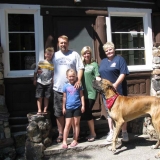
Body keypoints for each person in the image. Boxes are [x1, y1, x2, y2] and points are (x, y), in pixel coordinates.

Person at [52, 35, 84, 143]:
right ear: (58, 43)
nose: (63, 44)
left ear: (68, 43)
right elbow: (48, 68)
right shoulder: (54, 55)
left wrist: (78, 80)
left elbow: (80, 68)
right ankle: (61, 134)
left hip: (73, 90)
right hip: (58, 88)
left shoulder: (74, 54)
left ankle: (75, 135)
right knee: (59, 112)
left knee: (75, 112)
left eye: (65, 42)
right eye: (61, 42)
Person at [99, 42, 129, 142]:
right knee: (109, 112)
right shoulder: (103, 61)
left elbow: (123, 73)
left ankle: (124, 132)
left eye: (110, 49)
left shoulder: (120, 59)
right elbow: (100, 75)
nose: (109, 52)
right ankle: (111, 132)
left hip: (118, 90)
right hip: (106, 93)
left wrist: (115, 84)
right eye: (106, 50)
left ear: (114, 49)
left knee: (122, 112)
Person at [81, 46, 100, 142]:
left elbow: (97, 77)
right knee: (84, 112)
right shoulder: (81, 65)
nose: (86, 55)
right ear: (82, 54)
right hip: (81, 93)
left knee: (88, 111)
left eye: (88, 53)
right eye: (85, 53)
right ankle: (88, 131)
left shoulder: (94, 64)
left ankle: (93, 133)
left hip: (91, 92)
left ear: (90, 54)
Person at [62, 69, 85, 149]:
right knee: (67, 124)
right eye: (70, 76)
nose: (71, 78)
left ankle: (75, 139)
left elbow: (82, 95)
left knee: (76, 123)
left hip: (77, 107)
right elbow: (64, 97)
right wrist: (63, 107)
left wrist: (83, 105)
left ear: (76, 76)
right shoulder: (65, 86)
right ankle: (64, 141)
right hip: (68, 108)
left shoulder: (78, 85)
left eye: (73, 76)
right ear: (67, 77)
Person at [33, 47, 54, 115]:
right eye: (47, 54)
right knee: (39, 96)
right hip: (40, 81)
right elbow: (35, 71)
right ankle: (39, 109)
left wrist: (53, 80)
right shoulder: (40, 62)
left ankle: (45, 109)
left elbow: (52, 73)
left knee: (47, 97)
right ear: (45, 54)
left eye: (50, 54)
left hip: (48, 82)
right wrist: (34, 79)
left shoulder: (52, 64)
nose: (49, 56)